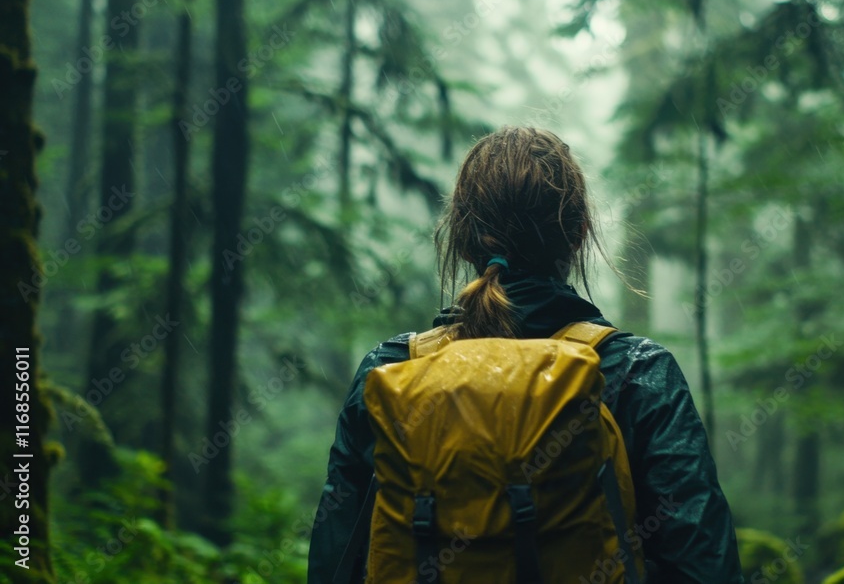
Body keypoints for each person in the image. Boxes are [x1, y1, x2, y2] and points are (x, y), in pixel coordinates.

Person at [307, 126, 744, 583]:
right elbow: (705, 567)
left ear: (462, 240)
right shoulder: (636, 373)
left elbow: (334, 563)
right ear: (578, 235)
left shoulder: (392, 369)